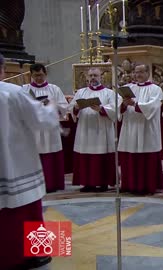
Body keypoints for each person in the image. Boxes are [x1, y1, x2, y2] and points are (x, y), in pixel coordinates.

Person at [0, 53, 58, 270]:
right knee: (29, 210)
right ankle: (35, 254)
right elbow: (42, 119)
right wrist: (51, 106)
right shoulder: (12, 92)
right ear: (2, 69)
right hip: (16, 164)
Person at [22, 63, 68, 193]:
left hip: (51, 129)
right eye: (36, 76)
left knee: (52, 154)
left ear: (45, 74)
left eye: (41, 75)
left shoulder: (54, 89)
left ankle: (53, 184)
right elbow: (21, 107)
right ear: (31, 75)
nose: (38, 78)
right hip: (34, 129)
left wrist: (52, 104)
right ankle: (36, 184)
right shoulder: (25, 89)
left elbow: (64, 106)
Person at [70, 67, 118, 192]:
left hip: (102, 130)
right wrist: (75, 107)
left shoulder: (109, 93)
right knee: (85, 155)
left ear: (101, 76)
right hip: (85, 130)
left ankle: (103, 183)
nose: (92, 78)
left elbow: (115, 110)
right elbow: (72, 109)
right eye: (90, 75)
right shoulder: (80, 92)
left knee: (102, 156)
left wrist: (101, 109)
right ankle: (87, 183)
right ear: (87, 77)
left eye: (95, 75)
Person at [118, 64, 163, 195]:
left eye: (141, 72)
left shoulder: (156, 89)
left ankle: (147, 186)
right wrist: (123, 105)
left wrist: (135, 104)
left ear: (148, 73)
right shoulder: (129, 88)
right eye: (136, 72)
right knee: (130, 154)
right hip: (130, 127)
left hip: (147, 128)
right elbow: (119, 108)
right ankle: (129, 184)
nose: (138, 75)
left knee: (146, 156)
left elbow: (153, 106)